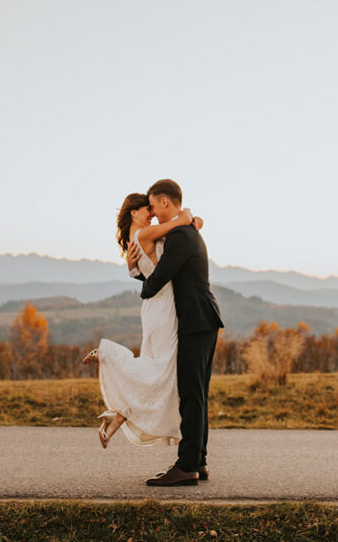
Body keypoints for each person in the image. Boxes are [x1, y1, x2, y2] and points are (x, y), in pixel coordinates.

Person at [84, 192, 201, 449]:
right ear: (133, 213)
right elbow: (181, 222)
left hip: (157, 307)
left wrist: (133, 270)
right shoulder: (144, 234)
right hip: (163, 308)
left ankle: (119, 415)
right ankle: (109, 355)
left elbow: (152, 267)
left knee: (159, 369)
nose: (152, 212)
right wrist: (189, 214)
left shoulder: (140, 237)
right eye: (147, 208)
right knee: (162, 369)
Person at [131, 178, 223, 487]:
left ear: (166, 202)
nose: (153, 213)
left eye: (155, 206)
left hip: (195, 322)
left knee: (190, 396)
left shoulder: (182, 236)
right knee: (197, 395)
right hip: (203, 321)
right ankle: (199, 461)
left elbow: (157, 281)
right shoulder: (187, 230)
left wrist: (141, 280)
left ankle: (186, 467)